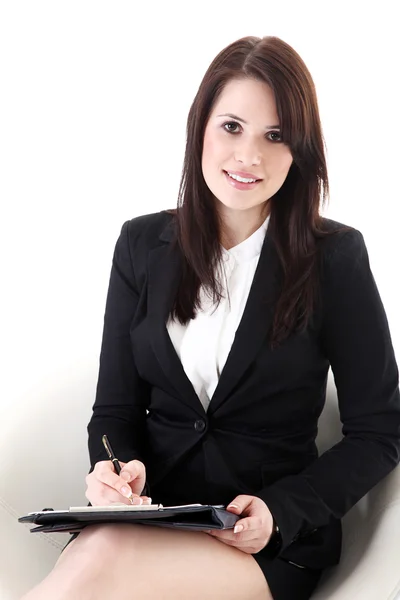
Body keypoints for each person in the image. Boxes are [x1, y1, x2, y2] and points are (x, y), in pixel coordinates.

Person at [21, 35, 400, 600]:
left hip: (263, 543)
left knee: (101, 559)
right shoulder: (140, 244)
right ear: (200, 127)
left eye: (276, 136)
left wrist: (280, 511)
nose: (249, 156)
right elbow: (115, 410)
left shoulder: (334, 258)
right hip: (153, 522)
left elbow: (379, 431)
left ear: (301, 151)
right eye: (231, 127)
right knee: (102, 549)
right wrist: (115, 470)